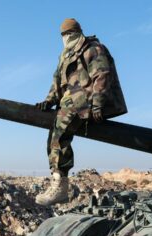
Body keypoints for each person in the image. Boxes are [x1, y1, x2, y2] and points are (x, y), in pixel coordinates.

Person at [35, 18, 127, 206]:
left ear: (76, 32)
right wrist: (49, 100)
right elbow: (57, 81)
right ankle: (57, 179)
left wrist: (98, 104)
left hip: (87, 99)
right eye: (63, 35)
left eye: (68, 34)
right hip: (73, 101)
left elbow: (102, 75)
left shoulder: (92, 48)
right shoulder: (65, 55)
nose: (65, 38)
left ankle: (61, 186)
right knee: (54, 135)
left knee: (60, 132)